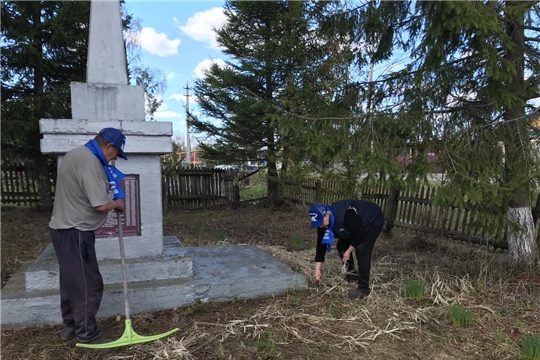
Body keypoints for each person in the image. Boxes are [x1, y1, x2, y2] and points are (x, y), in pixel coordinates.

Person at [49, 128, 128, 346]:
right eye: (115, 154)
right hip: (76, 231)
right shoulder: (91, 163)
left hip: (62, 229)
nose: (114, 159)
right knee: (88, 284)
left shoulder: (75, 154)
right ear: (108, 147)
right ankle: (89, 335)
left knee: (71, 281)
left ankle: (71, 326)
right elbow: (101, 204)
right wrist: (117, 204)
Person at [308, 200, 385, 299]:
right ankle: (351, 274)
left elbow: (361, 233)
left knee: (362, 249)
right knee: (341, 245)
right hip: (357, 225)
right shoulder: (322, 225)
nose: (320, 226)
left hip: (372, 219)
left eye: (320, 222)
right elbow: (321, 245)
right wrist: (317, 269)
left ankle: (363, 288)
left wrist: (349, 250)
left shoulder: (345, 215)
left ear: (326, 215)